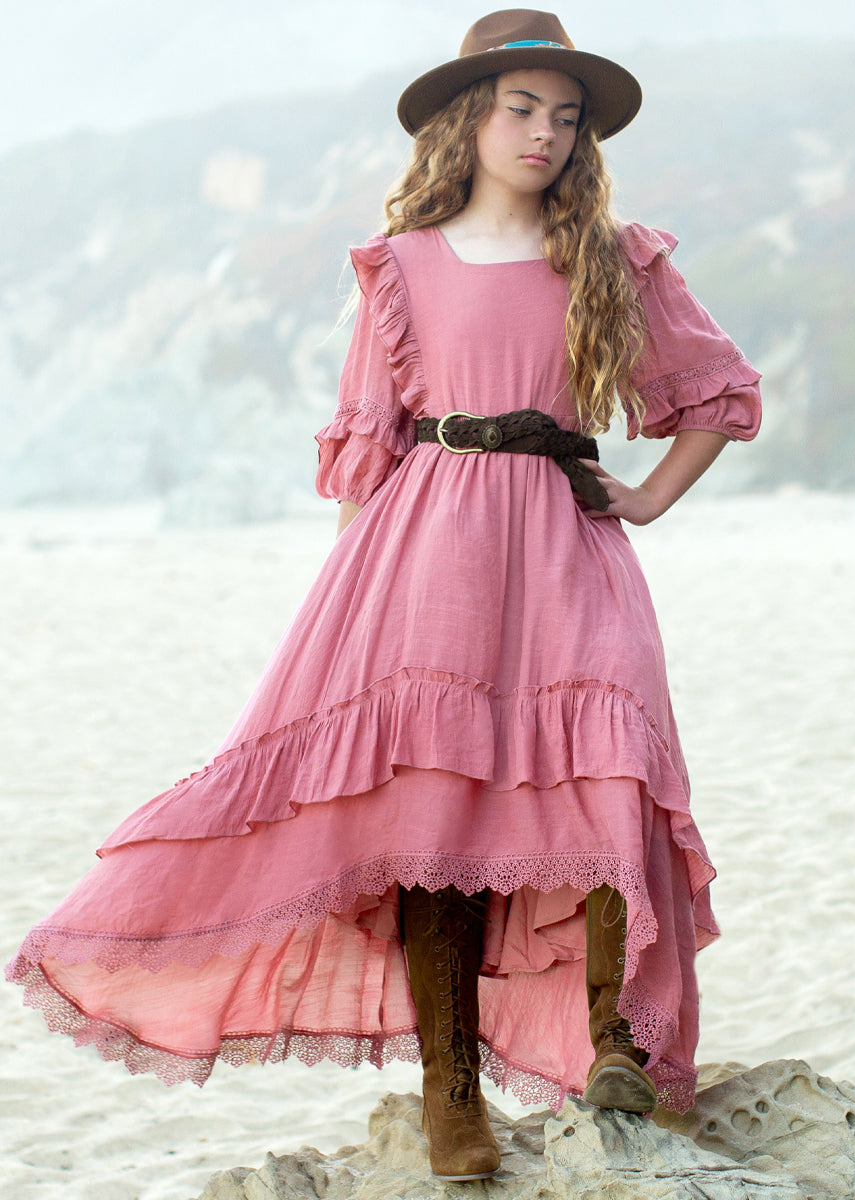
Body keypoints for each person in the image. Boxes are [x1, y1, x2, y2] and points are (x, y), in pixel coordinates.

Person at [6, 9, 762, 1184]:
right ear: (468, 119)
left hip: (566, 538)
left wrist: (650, 497)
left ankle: (616, 1043)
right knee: (431, 818)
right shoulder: (401, 265)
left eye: (565, 117)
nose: (545, 134)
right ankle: (449, 1089)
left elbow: (717, 391)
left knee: (612, 767)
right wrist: (350, 620)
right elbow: (366, 455)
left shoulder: (613, 256)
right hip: (425, 556)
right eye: (521, 108)